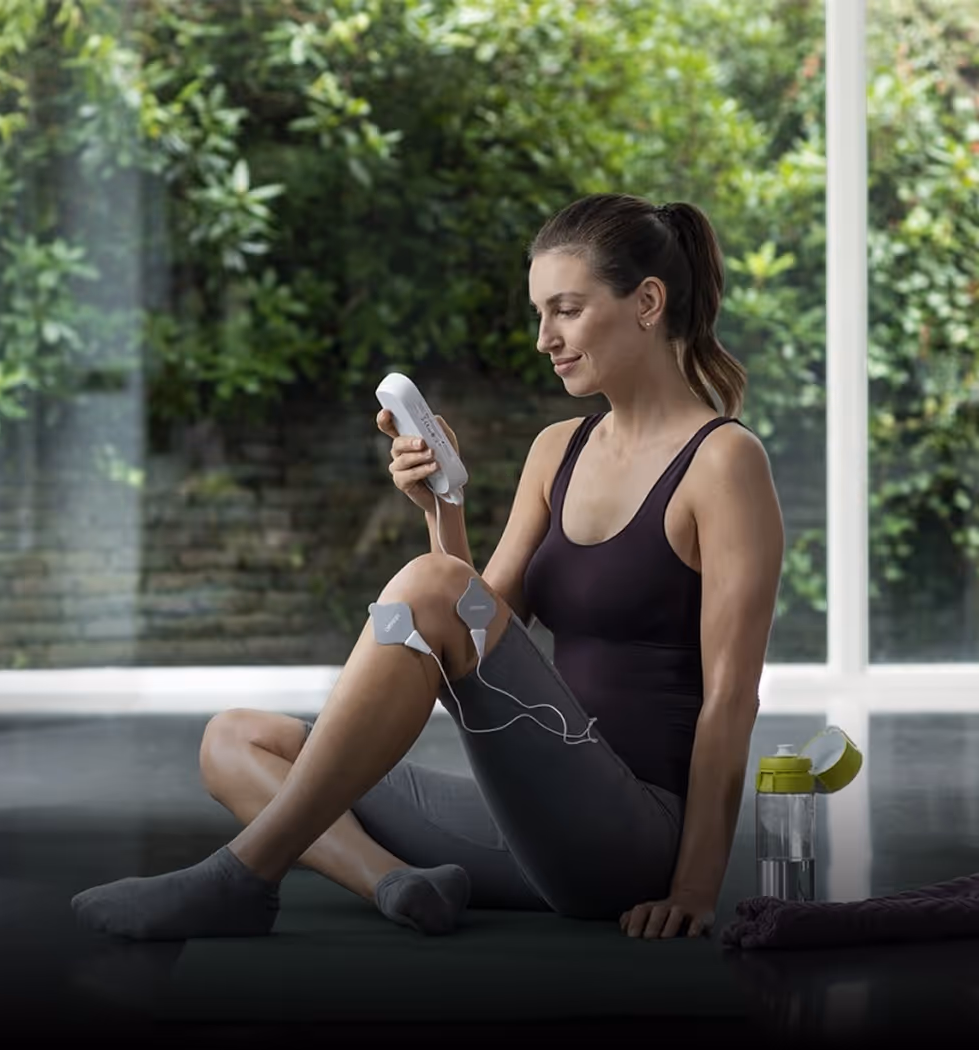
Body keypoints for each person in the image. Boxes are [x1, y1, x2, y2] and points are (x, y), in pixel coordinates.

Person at [71, 193, 784, 942]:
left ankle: (242, 878)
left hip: (629, 844)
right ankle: (395, 885)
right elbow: (473, 638)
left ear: (646, 302)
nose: (545, 338)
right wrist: (442, 505)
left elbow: (731, 699)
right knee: (236, 739)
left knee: (427, 586)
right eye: (539, 313)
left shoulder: (724, 462)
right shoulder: (558, 450)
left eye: (566, 310)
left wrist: (696, 889)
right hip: (529, 822)